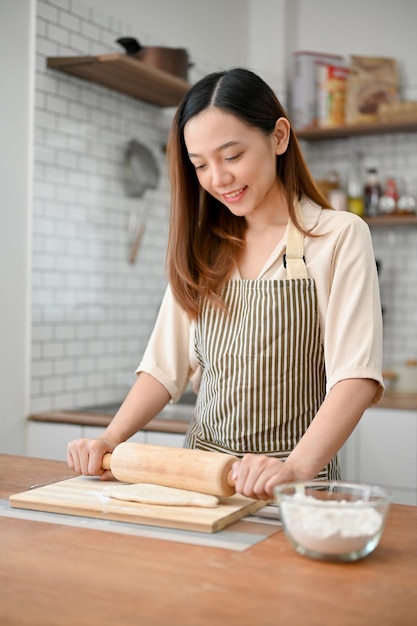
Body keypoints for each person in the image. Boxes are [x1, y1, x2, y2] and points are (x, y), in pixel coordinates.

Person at [67, 67, 383, 500]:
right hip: (199, 483)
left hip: (293, 488)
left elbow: (355, 377)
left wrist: (292, 468)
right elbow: (164, 368)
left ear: (278, 137)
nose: (218, 179)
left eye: (232, 156)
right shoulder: (204, 248)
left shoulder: (339, 236)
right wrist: (110, 438)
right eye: (200, 165)